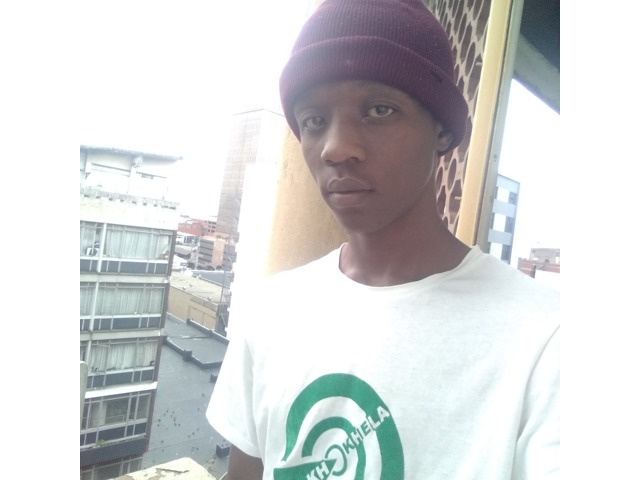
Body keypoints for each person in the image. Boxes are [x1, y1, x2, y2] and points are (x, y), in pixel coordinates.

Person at [207, 0, 560, 478]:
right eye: (314, 120)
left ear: (441, 129)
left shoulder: (546, 342)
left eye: (379, 110)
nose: (336, 148)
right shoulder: (271, 311)